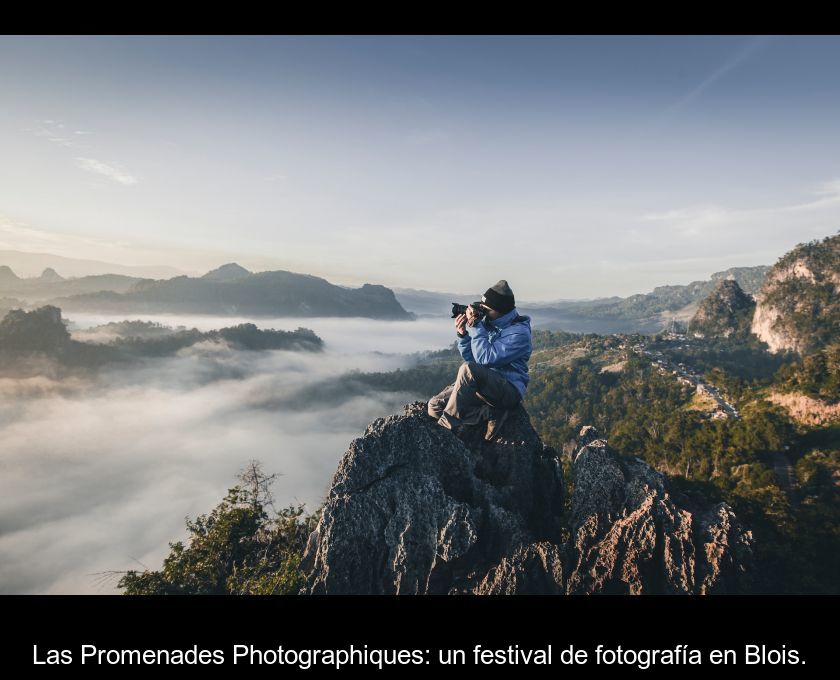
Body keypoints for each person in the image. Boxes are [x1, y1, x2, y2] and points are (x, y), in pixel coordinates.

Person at [427, 280, 532, 442]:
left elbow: (485, 359)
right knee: (434, 406)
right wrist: (463, 335)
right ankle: (489, 414)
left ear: (500, 311)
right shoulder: (489, 324)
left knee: (468, 369)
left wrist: (476, 326)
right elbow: (473, 360)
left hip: (507, 390)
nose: (482, 313)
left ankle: (447, 428)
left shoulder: (519, 334)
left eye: (486, 310)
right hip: (485, 387)